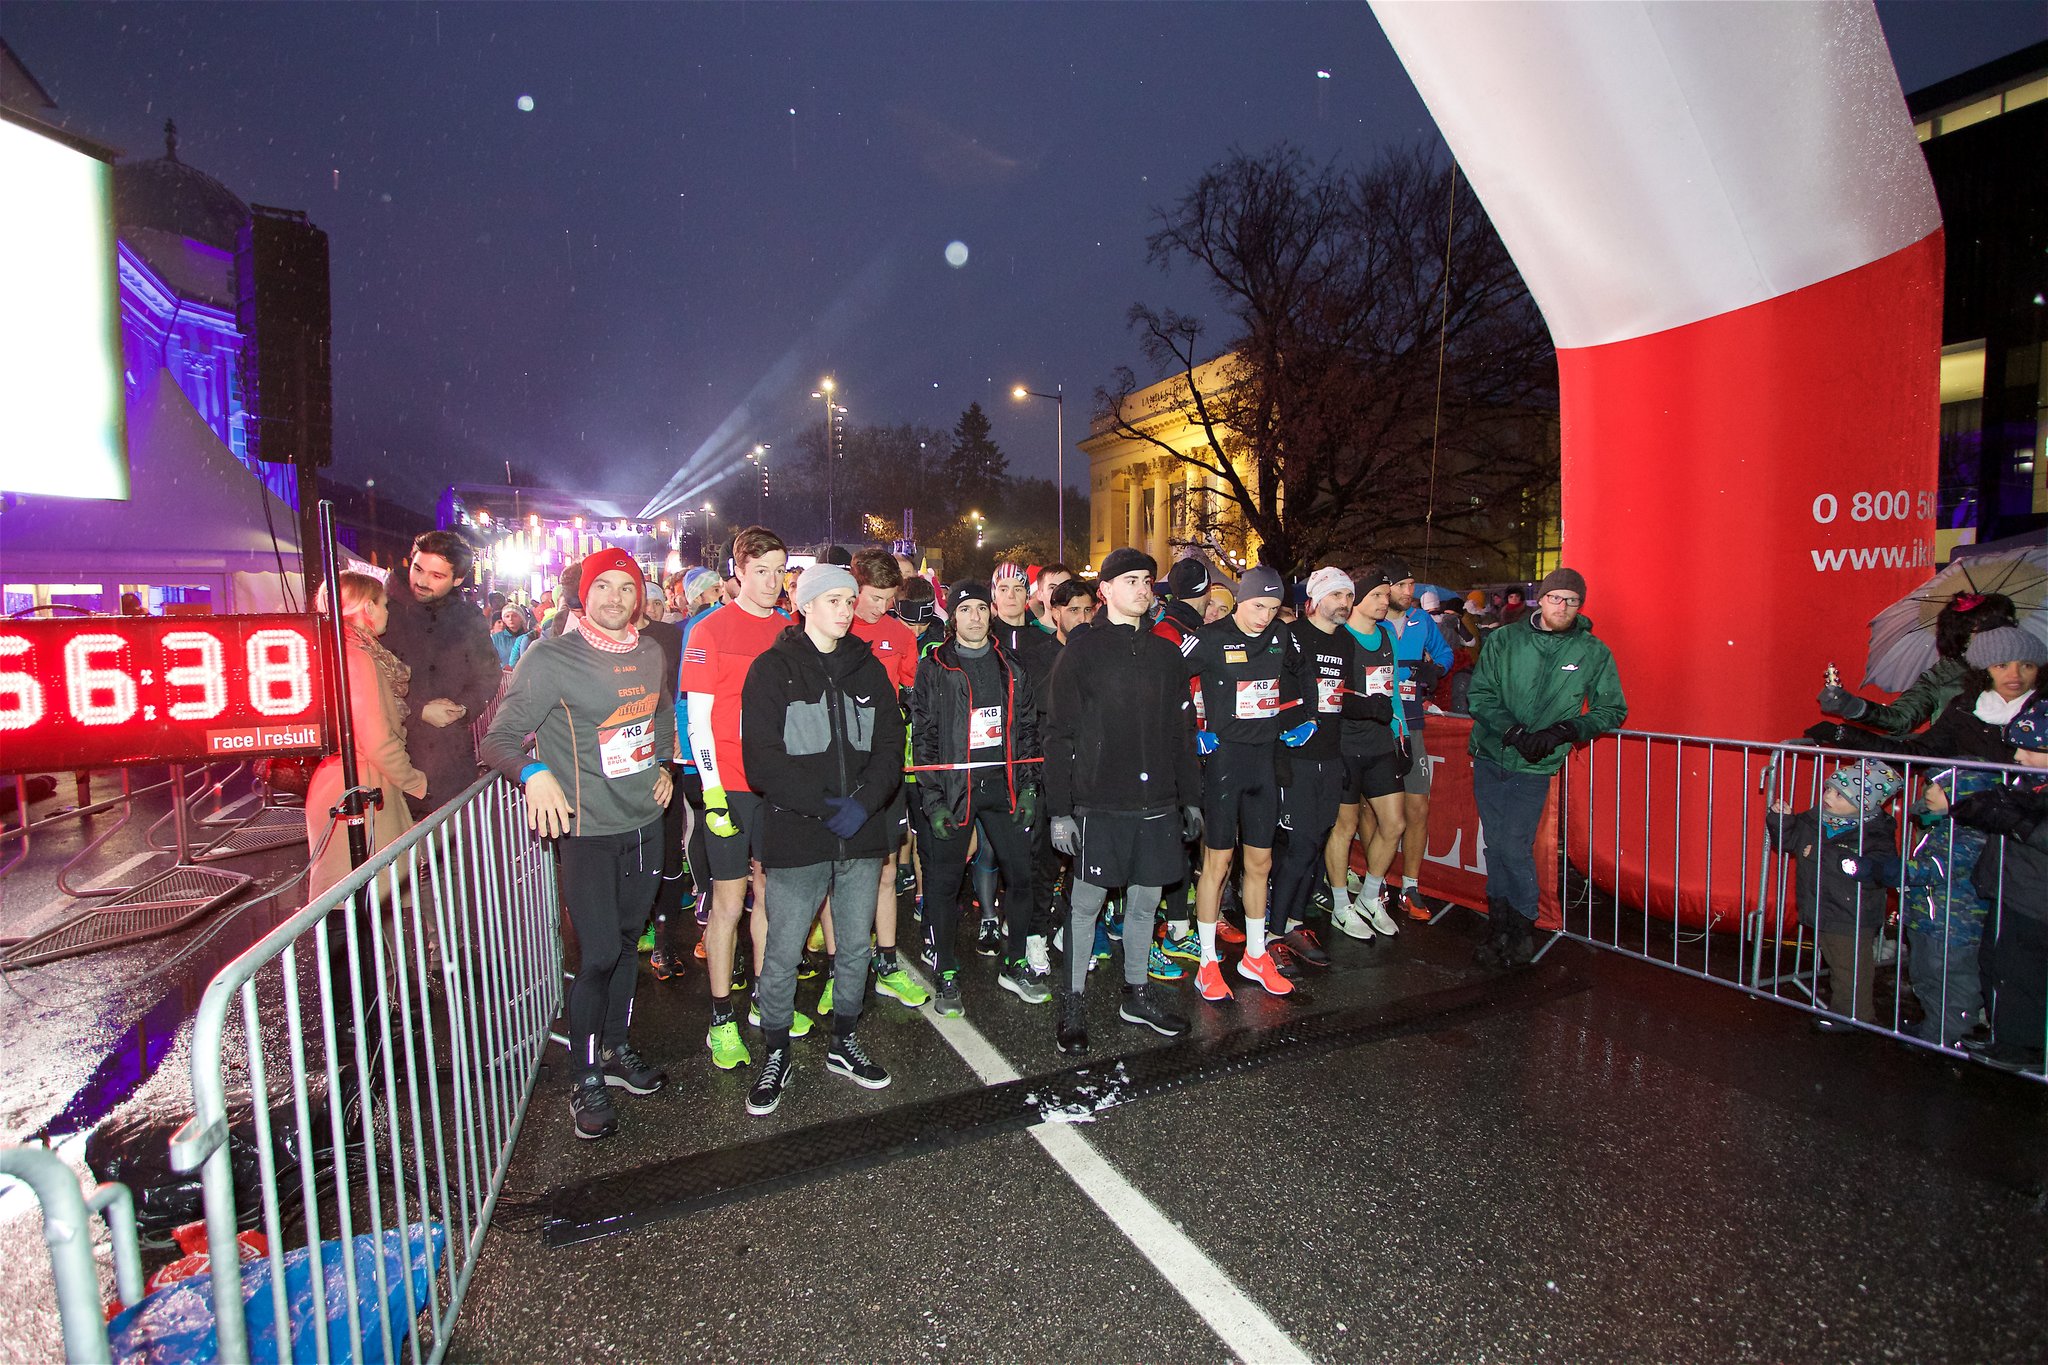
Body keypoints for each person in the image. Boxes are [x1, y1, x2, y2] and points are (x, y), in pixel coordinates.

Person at [479, 547, 676, 1140]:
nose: (614, 598)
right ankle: (584, 1073)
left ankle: (615, 1048)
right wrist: (534, 774)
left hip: (645, 823)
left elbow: (661, 717)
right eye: (603, 587)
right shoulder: (551, 656)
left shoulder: (649, 652)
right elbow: (499, 741)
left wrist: (663, 763)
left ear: (638, 596)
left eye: (625, 587)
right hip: (586, 831)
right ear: (583, 595)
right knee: (595, 955)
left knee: (624, 945)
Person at [739, 563, 907, 1115]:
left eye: (849, 598)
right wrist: (825, 805)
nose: (844, 608)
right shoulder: (771, 669)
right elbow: (761, 760)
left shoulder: (869, 669)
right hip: (798, 833)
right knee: (784, 949)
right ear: (805, 605)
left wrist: (863, 804)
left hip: (859, 833)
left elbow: (889, 746)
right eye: (832, 598)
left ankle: (843, 1039)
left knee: (855, 946)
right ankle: (776, 1048)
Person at [1042, 547, 1199, 1053]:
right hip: (1099, 802)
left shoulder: (1166, 654)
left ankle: (1136, 993)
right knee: (1086, 905)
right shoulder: (1082, 653)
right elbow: (1059, 734)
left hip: (1156, 801)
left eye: (1148, 580)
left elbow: (1183, 731)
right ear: (1105, 590)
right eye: (1130, 579)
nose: (1142, 587)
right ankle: (1072, 1000)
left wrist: (1189, 799)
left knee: (1145, 901)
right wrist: (1061, 808)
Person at [1465, 567, 1628, 967]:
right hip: (1491, 754)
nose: (1564, 607)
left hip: (1536, 765)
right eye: (1557, 598)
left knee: (1513, 847)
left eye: (1572, 601)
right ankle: (1498, 926)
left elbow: (1613, 709)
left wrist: (1567, 729)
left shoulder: (1593, 652)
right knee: (1495, 846)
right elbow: (1480, 695)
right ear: (1543, 600)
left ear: (1579, 606)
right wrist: (1513, 731)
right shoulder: (1505, 638)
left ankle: (1523, 927)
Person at [679, 526, 792, 1071]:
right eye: (762, 570)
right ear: (738, 571)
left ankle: (767, 1005)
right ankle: (722, 1017)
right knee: (727, 903)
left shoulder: (792, 629)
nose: (772, 582)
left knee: (772, 898)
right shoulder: (709, 629)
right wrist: (712, 792)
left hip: (778, 790)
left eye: (780, 570)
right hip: (729, 787)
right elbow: (697, 721)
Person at [1180, 564, 1314, 1001]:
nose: (1264, 616)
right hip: (1224, 764)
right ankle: (1207, 962)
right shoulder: (1212, 636)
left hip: (1264, 763)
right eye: (1258, 606)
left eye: (1273, 608)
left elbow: (1303, 673)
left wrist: (1302, 717)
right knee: (1217, 865)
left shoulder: (1281, 635)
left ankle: (1255, 955)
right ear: (1241, 599)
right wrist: (1191, 728)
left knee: (1260, 863)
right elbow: (1165, 680)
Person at [911, 579, 1044, 1014]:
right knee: (945, 883)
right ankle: (946, 970)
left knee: (1022, 877)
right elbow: (925, 736)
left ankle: (1015, 959)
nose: (975, 617)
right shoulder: (935, 666)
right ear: (953, 617)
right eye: (965, 610)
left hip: (1003, 788)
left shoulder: (1012, 664)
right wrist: (933, 802)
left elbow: (1026, 731)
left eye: (981, 609)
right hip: (954, 791)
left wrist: (1027, 787)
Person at [1841, 765, 2001, 1046]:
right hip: (1928, 922)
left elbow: (1933, 868)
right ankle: (1934, 1027)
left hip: (1954, 928)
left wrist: (1882, 870)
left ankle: (1950, 1036)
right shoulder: (1943, 828)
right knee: (1926, 977)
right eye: (1930, 784)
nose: (1929, 791)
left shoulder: (1970, 836)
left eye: (1940, 787)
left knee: (1953, 985)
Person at [1268, 566, 1369, 970]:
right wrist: (1282, 743)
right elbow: (1272, 691)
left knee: (1318, 840)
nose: (1344, 604)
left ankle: (1294, 922)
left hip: (1330, 754)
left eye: (1348, 596)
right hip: (1296, 756)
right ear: (1315, 600)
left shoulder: (1345, 641)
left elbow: (1339, 700)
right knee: (1297, 844)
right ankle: (1273, 931)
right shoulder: (1293, 637)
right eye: (1336, 596)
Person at [305, 571, 428, 901]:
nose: (388, 612)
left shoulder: (342, 651)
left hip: (352, 784)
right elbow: (376, 736)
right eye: (384, 604)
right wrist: (416, 782)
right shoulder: (357, 658)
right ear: (366, 608)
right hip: (362, 788)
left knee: (361, 903)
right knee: (366, 903)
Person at [844, 549, 928, 1009]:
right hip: (840, 770)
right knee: (840, 872)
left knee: (887, 869)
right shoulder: (835, 627)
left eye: (888, 598)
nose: (881, 607)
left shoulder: (899, 633)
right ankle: (842, 969)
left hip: (886, 767)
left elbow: (913, 693)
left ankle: (889, 963)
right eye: (874, 598)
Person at [1948, 699, 2048, 1073]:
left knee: (2021, 971)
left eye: (2030, 749)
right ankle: (2001, 1030)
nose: (2017, 756)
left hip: (2036, 896)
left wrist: (2018, 822)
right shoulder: (2030, 781)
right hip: (2014, 887)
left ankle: (2023, 1044)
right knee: (1996, 961)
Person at [1766, 761, 1902, 1027]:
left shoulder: (1876, 833)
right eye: (1828, 788)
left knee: (1851, 966)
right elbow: (1789, 841)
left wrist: (1823, 854)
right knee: (1836, 959)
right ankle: (1844, 1003)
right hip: (1823, 905)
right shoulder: (1818, 819)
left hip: (1852, 911)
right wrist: (1781, 820)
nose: (1827, 795)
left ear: (1863, 803)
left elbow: (1873, 870)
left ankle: (1854, 1016)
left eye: (1839, 794)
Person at [378, 529, 503, 812]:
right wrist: (417, 709)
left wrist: (463, 708)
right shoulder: (381, 608)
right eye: (418, 569)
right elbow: (363, 683)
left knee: (450, 848)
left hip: (450, 759)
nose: (421, 581)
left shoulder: (467, 617)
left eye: (436, 576)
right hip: (392, 759)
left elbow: (487, 675)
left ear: (457, 579)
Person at [1810, 626, 2043, 765]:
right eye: (2001, 665)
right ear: (1983, 668)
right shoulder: (1965, 706)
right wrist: (1847, 736)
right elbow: (1920, 753)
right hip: (1963, 823)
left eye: (2027, 665)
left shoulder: (2042, 710)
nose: (2015, 675)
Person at [1327, 566, 1411, 941]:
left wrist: (1401, 735)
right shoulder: (1339, 637)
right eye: (1377, 594)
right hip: (1345, 745)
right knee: (1344, 828)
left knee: (1394, 823)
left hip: (1380, 743)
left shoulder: (1388, 634)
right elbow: (1330, 694)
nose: (1384, 601)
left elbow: (1391, 691)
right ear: (1357, 598)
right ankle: (1341, 904)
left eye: (1385, 594)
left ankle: (1370, 896)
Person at [988, 561, 1063, 973]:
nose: (1013, 595)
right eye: (1004, 588)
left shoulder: (1047, 641)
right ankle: (1002, 917)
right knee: (996, 853)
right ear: (993, 594)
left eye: (1020, 587)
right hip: (991, 764)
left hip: (1038, 762)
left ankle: (1034, 932)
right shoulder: (981, 637)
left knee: (1041, 853)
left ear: (1030, 593)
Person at [1817, 592, 2017, 737]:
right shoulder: (1944, 675)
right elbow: (1900, 718)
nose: (2000, 636)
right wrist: (1851, 706)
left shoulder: (2029, 671)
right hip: (1950, 784)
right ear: (1964, 636)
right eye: (1988, 630)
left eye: (2007, 626)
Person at [1380, 557, 1455, 921]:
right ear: (1387, 588)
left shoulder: (1421, 620)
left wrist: (1436, 669)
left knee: (1418, 808)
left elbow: (1445, 653)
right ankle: (1375, 882)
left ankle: (1410, 886)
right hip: (1376, 726)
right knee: (1372, 810)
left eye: (1414, 585)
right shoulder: (1370, 621)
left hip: (1412, 724)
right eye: (1404, 585)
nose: (1412, 592)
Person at [1047, 577, 1096, 644]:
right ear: (1056, 614)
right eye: (1074, 610)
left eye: (1087, 610)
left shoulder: (1102, 649)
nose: (1083, 619)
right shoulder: (1038, 654)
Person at [1029, 562, 1072, 633]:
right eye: (1052, 587)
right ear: (1040, 594)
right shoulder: (1028, 633)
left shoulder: (1082, 633)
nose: (1059, 592)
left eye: (1064, 586)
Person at [491, 603, 534, 669]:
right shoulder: (496, 638)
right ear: (504, 620)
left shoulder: (531, 637)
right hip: (504, 676)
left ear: (521, 618)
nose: (510, 619)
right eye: (507, 616)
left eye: (514, 616)